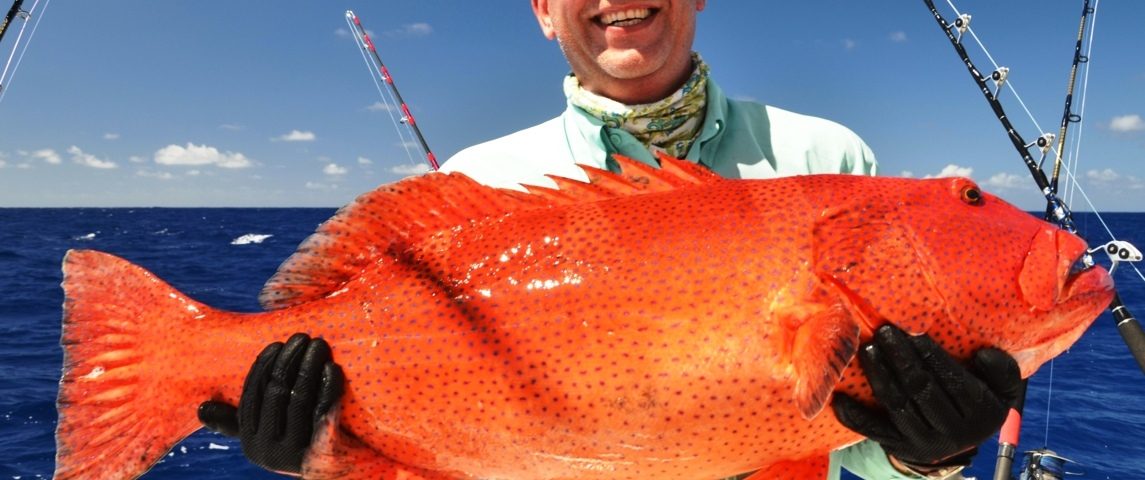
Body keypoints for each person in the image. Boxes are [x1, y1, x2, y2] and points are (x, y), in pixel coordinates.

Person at [198, 1, 1023, 479]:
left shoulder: (827, 160)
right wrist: (324, 447)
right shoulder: (482, 182)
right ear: (542, 10)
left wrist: (929, 455)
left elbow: (844, 437)